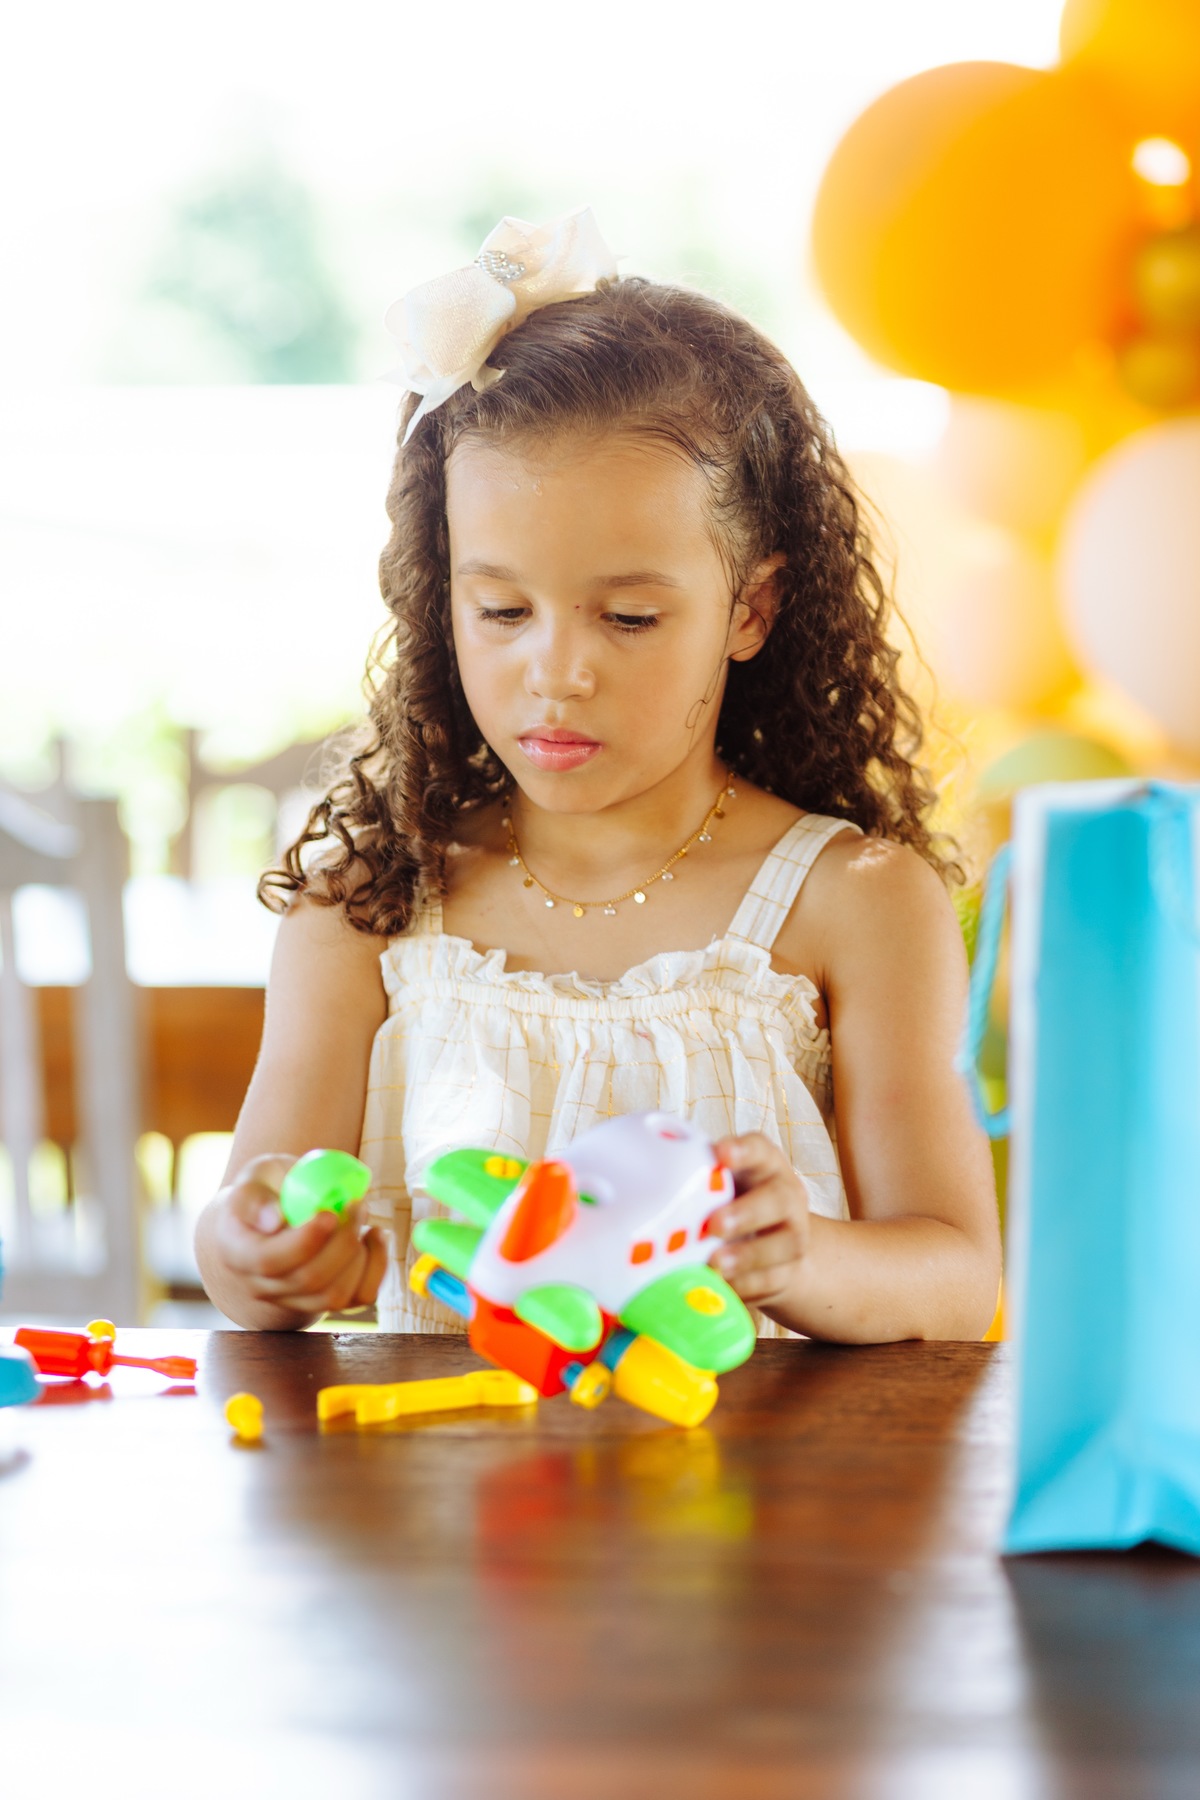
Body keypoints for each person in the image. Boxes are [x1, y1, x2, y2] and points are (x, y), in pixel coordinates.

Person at [195, 209, 1001, 1342]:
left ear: (751, 607)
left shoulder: (857, 902)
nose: (556, 673)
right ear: (445, 603)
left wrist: (804, 1258)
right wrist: (262, 1254)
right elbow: (246, 1245)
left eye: (628, 616)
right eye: (503, 610)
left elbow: (958, 1277)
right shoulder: (368, 906)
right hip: (427, 1508)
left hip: (764, 1511)